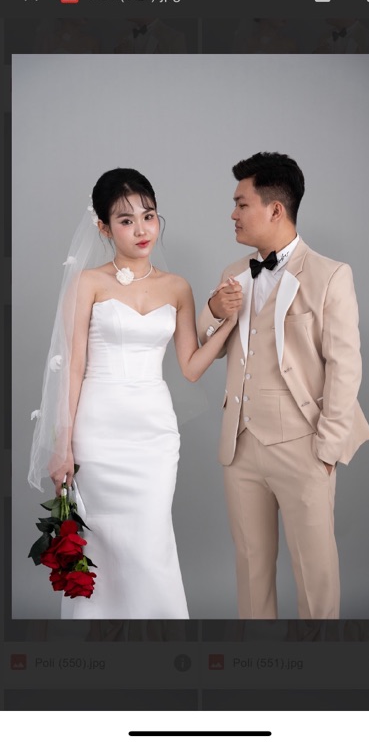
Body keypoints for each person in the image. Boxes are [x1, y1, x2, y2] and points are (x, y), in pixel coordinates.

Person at [29, 168, 237, 619]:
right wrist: (62, 446)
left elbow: (191, 367)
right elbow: (73, 368)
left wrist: (228, 321)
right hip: (98, 430)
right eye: (126, 220)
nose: (142, 229)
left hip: (153, 434)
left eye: (149, 215)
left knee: (150, 541)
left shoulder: (177, 287)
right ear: (104, 228)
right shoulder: (88, 282)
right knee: (100, 542)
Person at [197, 152, 369, 619]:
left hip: (303, 445)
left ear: (275, 209)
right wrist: (213, 310)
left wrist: (327, 449)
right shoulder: (233, 274)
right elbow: (205, 348)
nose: (232, 214)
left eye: (241, 204)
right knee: (251, 567)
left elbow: (345, 367)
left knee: (315, 572)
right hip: (240, 445)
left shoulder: (330, 275)